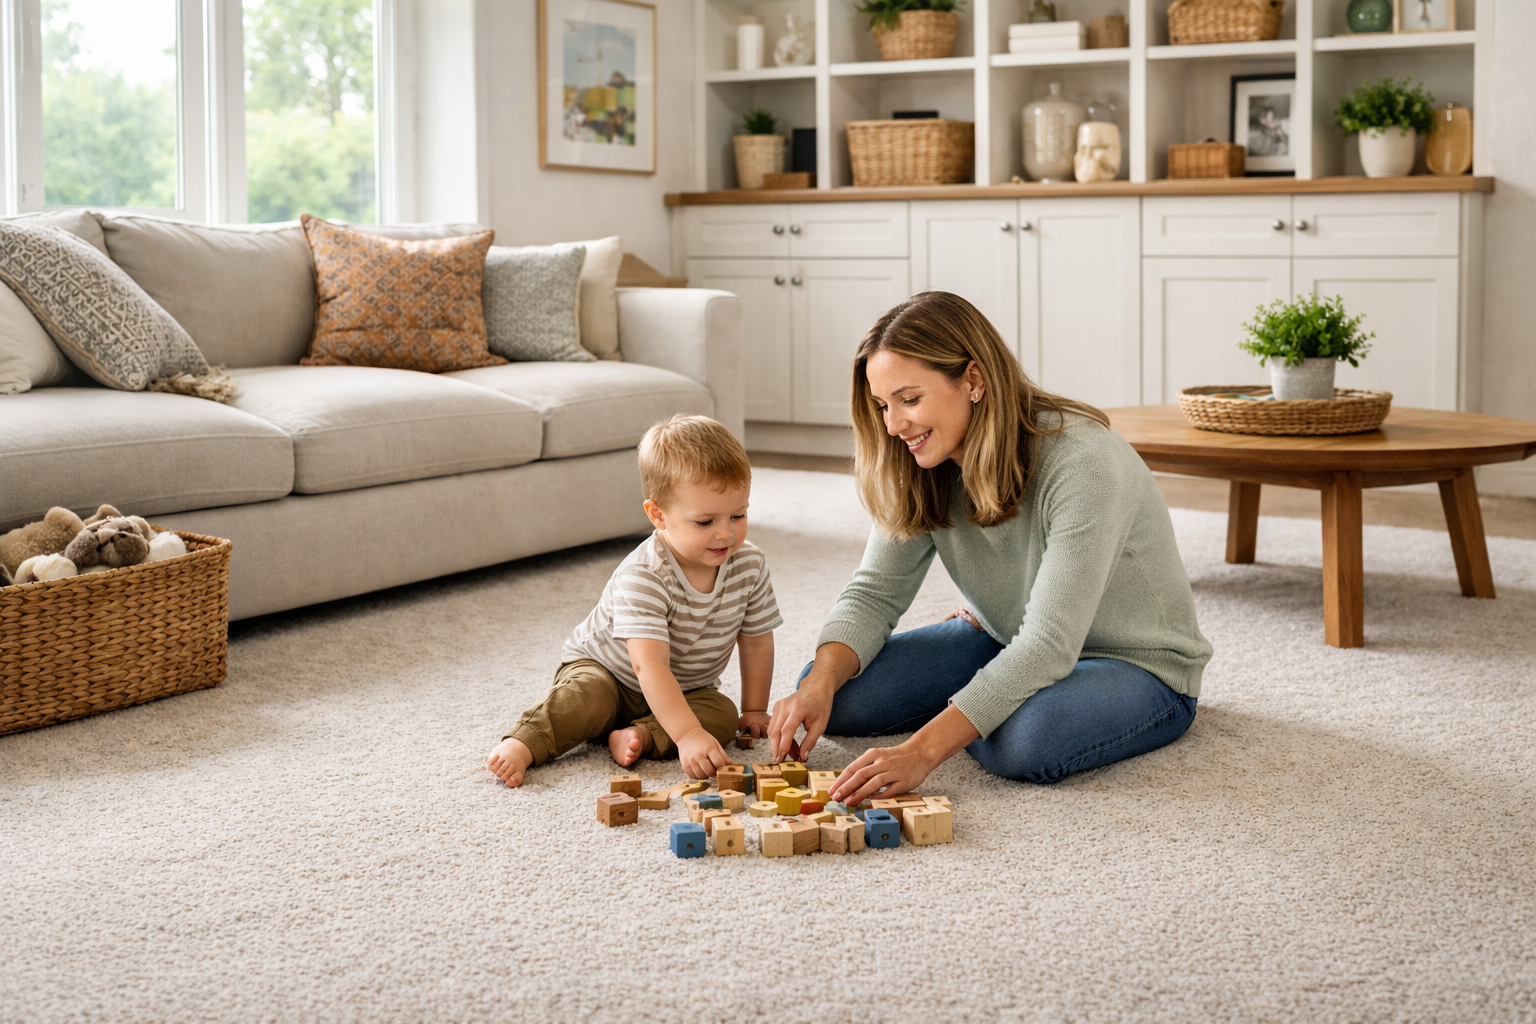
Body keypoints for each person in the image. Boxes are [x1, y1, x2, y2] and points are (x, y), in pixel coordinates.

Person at [766, 292, 1213, 806]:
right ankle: (993, 689)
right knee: (830, 695)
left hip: (1137, 664)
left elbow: (1048, 643)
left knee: (1019, 740)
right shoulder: (920, 462)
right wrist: (819, 684)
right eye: (881, 405)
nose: (892, 425)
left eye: (909, 400)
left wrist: (922, 751)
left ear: (973, 380)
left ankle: (995, 697)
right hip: (1006, 639)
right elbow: (873, 593)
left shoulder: (1084, 461)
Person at [486, 414, 782, 786]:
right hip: (611, 674)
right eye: (705, 522)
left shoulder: (750, 565)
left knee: (720, 714)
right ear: (658, 514)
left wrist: (754, 708)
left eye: (738, 515)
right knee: (584, 699)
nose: (726, 532)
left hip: (686, 689)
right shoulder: (645, 573)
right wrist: (687, 735)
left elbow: (756, 642)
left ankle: (638, 735)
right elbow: (650, 666)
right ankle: (525, 742)